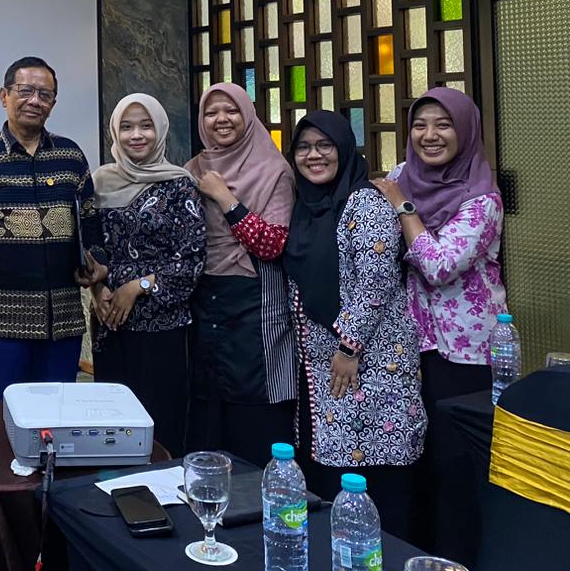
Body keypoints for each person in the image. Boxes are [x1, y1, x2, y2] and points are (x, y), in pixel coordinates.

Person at [372, 86, 506, 560]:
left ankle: (457, 562)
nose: (429, 135)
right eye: (420, 125)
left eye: (443, 125)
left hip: (464, 356)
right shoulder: (400, 176)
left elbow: (439, 265)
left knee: (455, 473)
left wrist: (404, 207)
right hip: (407, 349)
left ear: (465, 131)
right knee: (414, 467)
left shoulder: (482, 201)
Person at [284, 112, 425, 540]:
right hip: (326, 371)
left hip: (372, 364)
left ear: (344, 149)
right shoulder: (307, 207)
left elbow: (375, 283)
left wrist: (348, 347)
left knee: (374, 486)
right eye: (303, 147)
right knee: (338, 485)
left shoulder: (364, 204)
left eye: (324, 145)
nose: (313, 155)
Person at [0, 56, 106, 401]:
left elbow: (91, 222)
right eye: (25, 91)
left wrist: (97, 260)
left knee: (56, 419)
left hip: (61, 323)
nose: (35, 101)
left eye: (44, 94)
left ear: (53, 103)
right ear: (4, 96)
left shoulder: (71, 156)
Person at [184, 82, 296, 467]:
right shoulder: (192, 170)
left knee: (255, 416)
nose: (221, 119)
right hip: (204, 300)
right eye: (211, 112)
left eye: (231, 110)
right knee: (208, 409)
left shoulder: (274, 170)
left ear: (247, 115)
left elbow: (272, 244)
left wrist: (225, 198)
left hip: (255, 303)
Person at [90, 93, 206, 455]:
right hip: (110, 324)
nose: (136, 135)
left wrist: (138, 286)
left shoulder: (179, 184)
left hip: (162, 328)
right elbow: (89, 247)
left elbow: (192, 257)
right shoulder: (99, 182)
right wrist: (97, 288)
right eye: (126, 127)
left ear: (160, 130)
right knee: (111, 424)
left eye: (146, 126)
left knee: (160, 424)